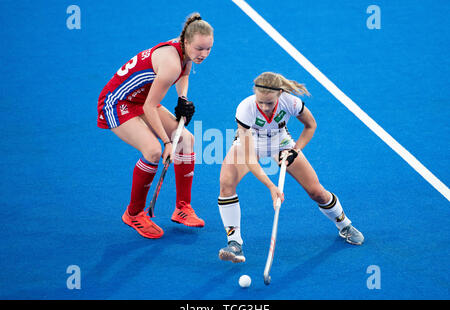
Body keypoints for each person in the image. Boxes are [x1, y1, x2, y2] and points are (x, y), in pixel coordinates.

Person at [218, 72, 364, 263]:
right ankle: (234, 243)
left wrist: (296, 150)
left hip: (281, 142)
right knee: (226, 183)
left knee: (316, 192)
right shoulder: (246, 108)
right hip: (250, 143)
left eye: (269, 103)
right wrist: (272, 186)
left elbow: (310, 125)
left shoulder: (291, 102)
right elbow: (249, 158)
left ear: (279, 93)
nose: (264, 107)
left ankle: (344, 224)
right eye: (260, 102)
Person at [97, 13, 214, 239]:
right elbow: (151, 107)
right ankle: (133, 213)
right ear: (187, 42)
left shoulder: (185, 50)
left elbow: (185, 72)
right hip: (117, 102)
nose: (204, 54)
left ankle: (182, 208)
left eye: (208, 49)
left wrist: (182, 99)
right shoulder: (170, 62)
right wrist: (167, 142)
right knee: (153, 150)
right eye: (200, 49)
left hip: (141, 99)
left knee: (187, 140)